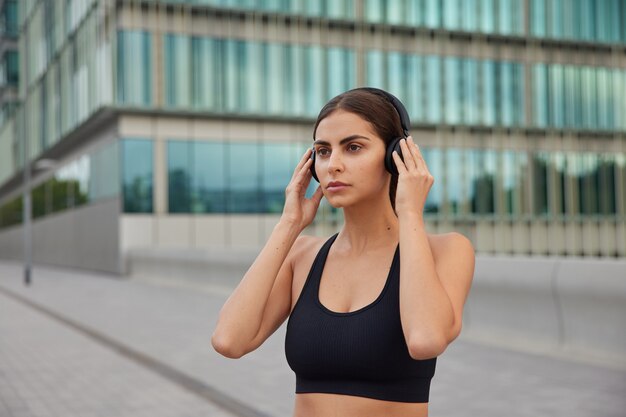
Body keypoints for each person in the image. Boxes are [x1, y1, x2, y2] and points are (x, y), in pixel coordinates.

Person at [211, 87, 475, 417]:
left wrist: (410, 213)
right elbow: (229, 340)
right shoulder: (303, 255)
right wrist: (289, 224)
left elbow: (425, 339)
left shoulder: (447, 249)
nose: (333, 165)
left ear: (396, 156)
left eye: (352, 148)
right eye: (323, 151)